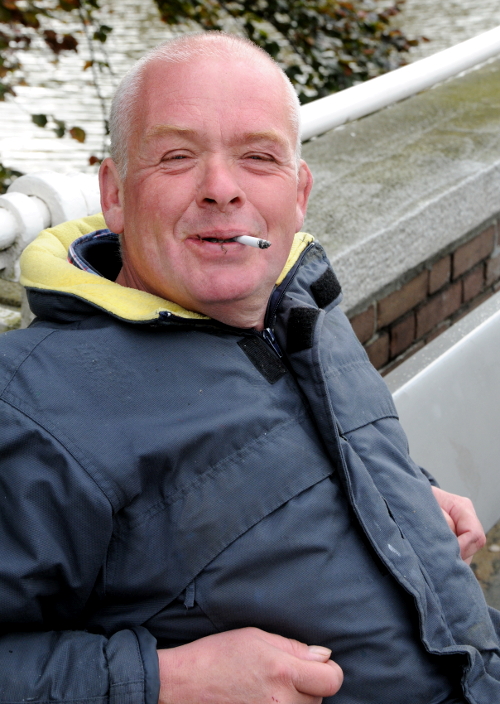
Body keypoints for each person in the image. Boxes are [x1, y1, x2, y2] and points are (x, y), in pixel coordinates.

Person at [1, 31, 498, 704]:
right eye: (177, 156)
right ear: (114, 194)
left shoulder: (301, 303)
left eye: (258, 157)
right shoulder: (31, 405)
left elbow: (293, 455)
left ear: (300, 192)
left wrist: (400, 496)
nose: (221, 189)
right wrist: (167, 681)